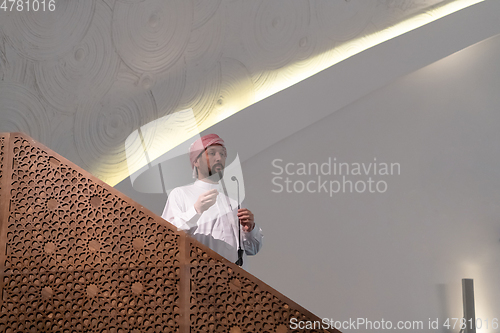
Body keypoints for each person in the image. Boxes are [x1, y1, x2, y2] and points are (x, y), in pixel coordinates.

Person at [161, 134, 263, 267]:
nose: (219, 158)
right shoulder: (181, 194)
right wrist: (196, 210)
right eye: (212, 153)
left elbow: (252, 249)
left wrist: (250, 229)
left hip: (235, 282)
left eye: (222, 154)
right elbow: (167, 238)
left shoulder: (234, 202)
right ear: (196, 161)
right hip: (198, 277)